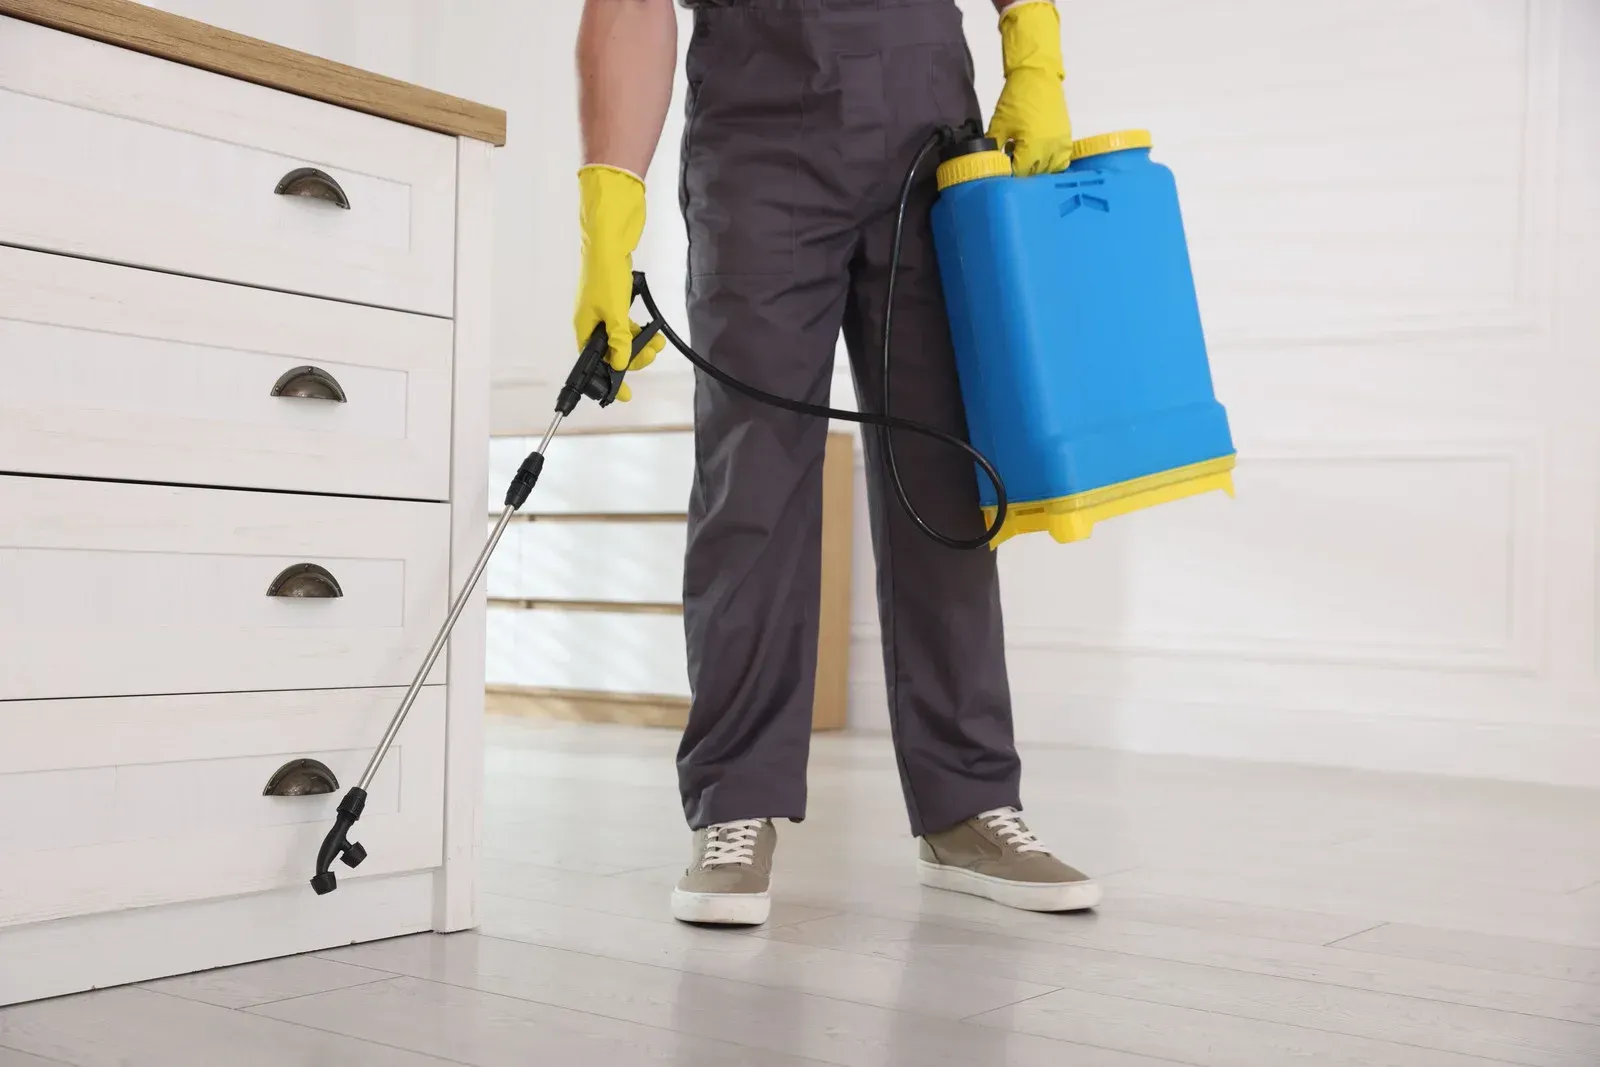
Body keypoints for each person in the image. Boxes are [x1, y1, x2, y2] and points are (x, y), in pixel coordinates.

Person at [574, 0, 1101, 925]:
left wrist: (1036, 57)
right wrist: (610, 208)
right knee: (754, 478)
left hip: (928, 126)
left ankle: (968, 805)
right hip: (755, 133)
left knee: (943, 477)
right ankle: (735, 800)